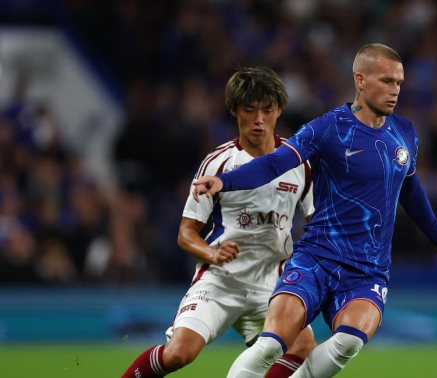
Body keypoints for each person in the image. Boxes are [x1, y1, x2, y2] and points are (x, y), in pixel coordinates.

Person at [193, 43, 437, 377]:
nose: (395, 90)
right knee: (271, 346)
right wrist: (226, 181)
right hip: (316, 258)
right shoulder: (328, 128)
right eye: (386, 81)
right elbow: (275, 162)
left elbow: (410, 191)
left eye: (399, 83)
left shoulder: (405, 133)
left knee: (348, 343)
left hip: (367, 271)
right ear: (360, 80)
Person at [121, 67, 317, 378]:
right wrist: (212, 254)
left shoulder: (299, 164)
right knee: (179, 354)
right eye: (249, 110)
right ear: (234, 111)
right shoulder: (217, 163)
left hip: (271, 284)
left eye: (267, 110)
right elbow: (186, 233)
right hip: (221, 281)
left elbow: (315, 222)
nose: (259, 120)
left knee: (304, 349)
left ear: (279, 110)